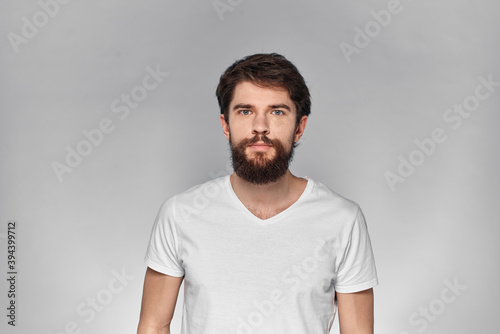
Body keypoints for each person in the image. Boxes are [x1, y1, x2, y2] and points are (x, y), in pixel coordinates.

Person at [137, 53, 378, 334]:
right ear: (226, 125)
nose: (260, 127)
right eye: (245, 111)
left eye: (277, 111)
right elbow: (153, 325)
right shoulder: (180, 214)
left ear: (299, 128)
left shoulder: (343, 220)